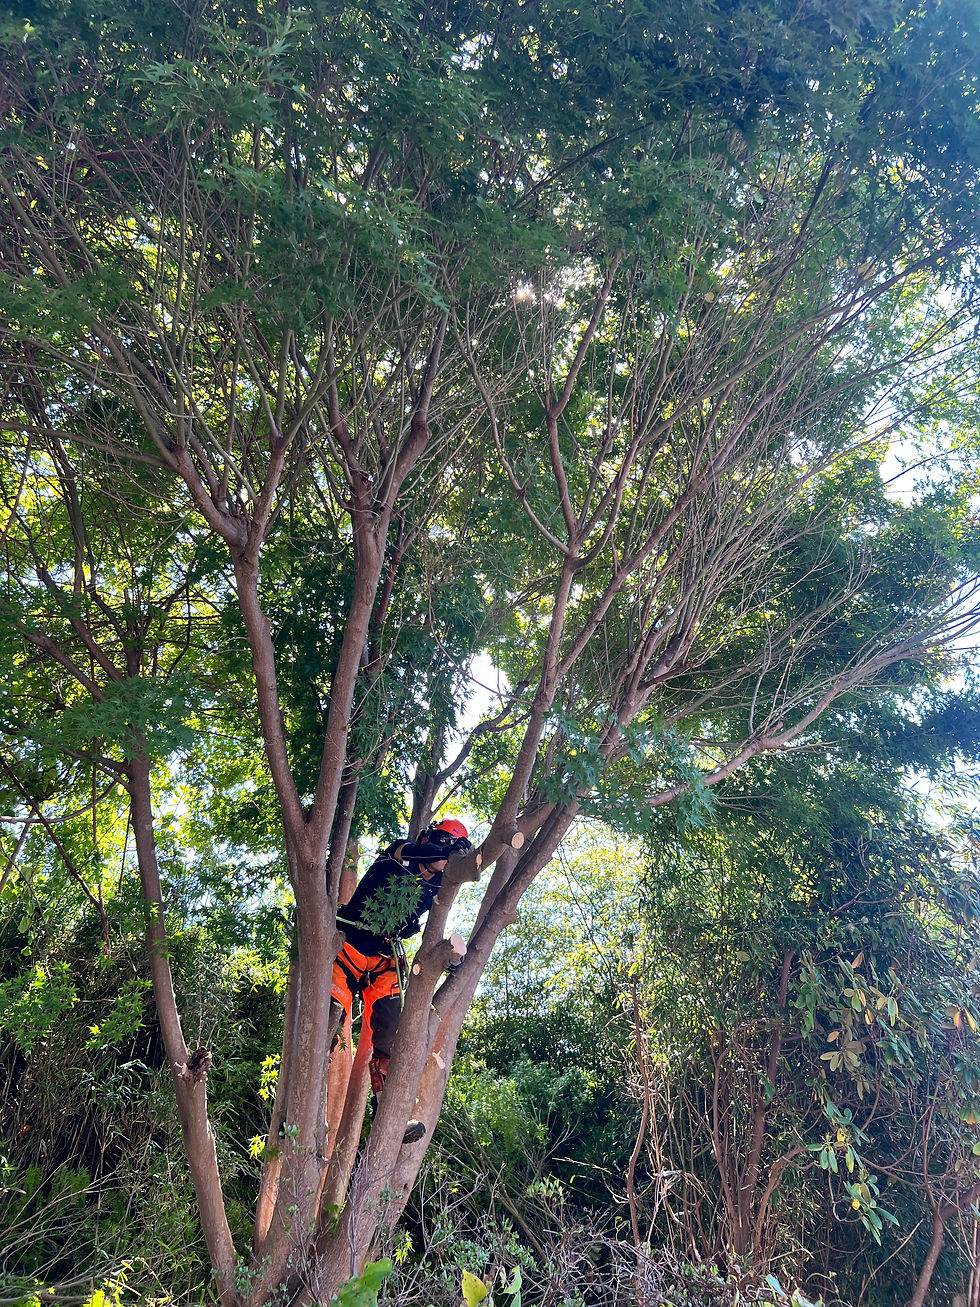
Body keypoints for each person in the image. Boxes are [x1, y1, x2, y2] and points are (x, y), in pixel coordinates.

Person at [331, 818, 471, 1144]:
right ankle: (296, 1104)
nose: (442, 856)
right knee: (328, 1021)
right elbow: (422, 853)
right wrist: (446, 851)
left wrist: (449, 956)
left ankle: (385, 1107)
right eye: (441, 844)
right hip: (350, 946)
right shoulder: (398, 854)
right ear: (429, 838)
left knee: (390, 1029)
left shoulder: (439, 886)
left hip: (383, 959)